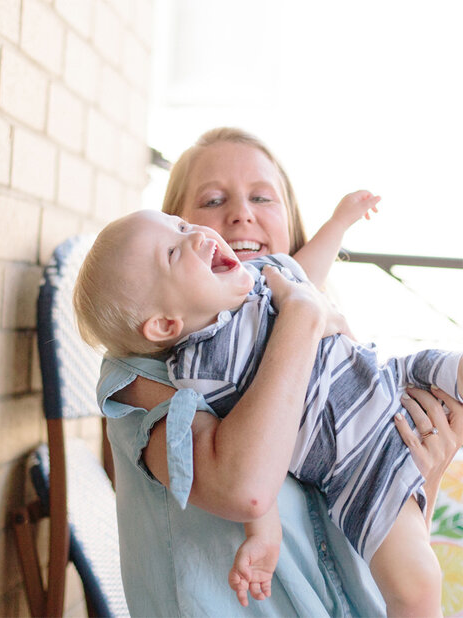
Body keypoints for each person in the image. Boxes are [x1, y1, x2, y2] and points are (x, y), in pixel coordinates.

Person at [84, 127, 463, 616]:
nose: (240, 213)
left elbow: (379, 555)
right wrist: (303, 314)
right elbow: (246, 489)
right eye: (212, 199)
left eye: (262, 197)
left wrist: (422, 478)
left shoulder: (296, 309)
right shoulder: (157, 372)